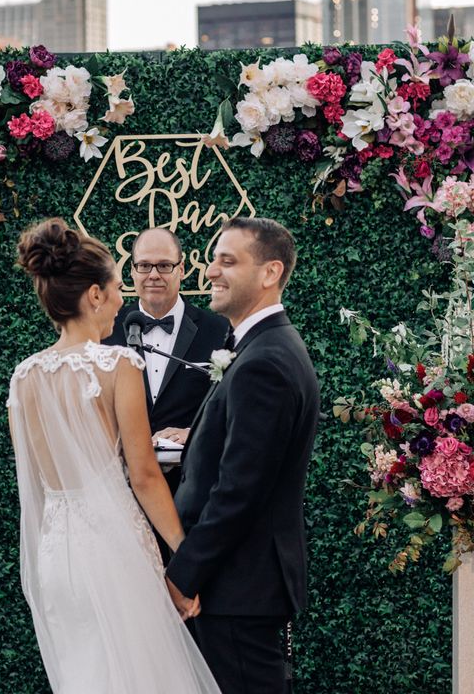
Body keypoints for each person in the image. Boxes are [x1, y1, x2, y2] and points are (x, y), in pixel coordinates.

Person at [7, 217, 221, 694]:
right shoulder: (120, 364)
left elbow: (36, 483)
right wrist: (186, 561)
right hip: (112, 548)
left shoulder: (23, 377)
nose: (125, 300)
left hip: (55, 556)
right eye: (119, 287)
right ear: (95, 295)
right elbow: (144, 476)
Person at [165, 216, 320, 694]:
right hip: (239, 583)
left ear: (270, 272)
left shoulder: (265, 363)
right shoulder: (260, 350)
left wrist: (185, 572)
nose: (211, 271)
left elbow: (239, 491)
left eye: (227, 260)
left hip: (237, 586)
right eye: (214, 259)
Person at [104, 227, 228, 497]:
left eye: (164, 265)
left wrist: (193, 433)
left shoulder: (219, 330)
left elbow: (232, 409)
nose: (154, 275)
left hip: (193, 490)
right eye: (145, 265)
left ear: (181, 269)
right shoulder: (105, 330)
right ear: (133, 271)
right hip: (120, 493)